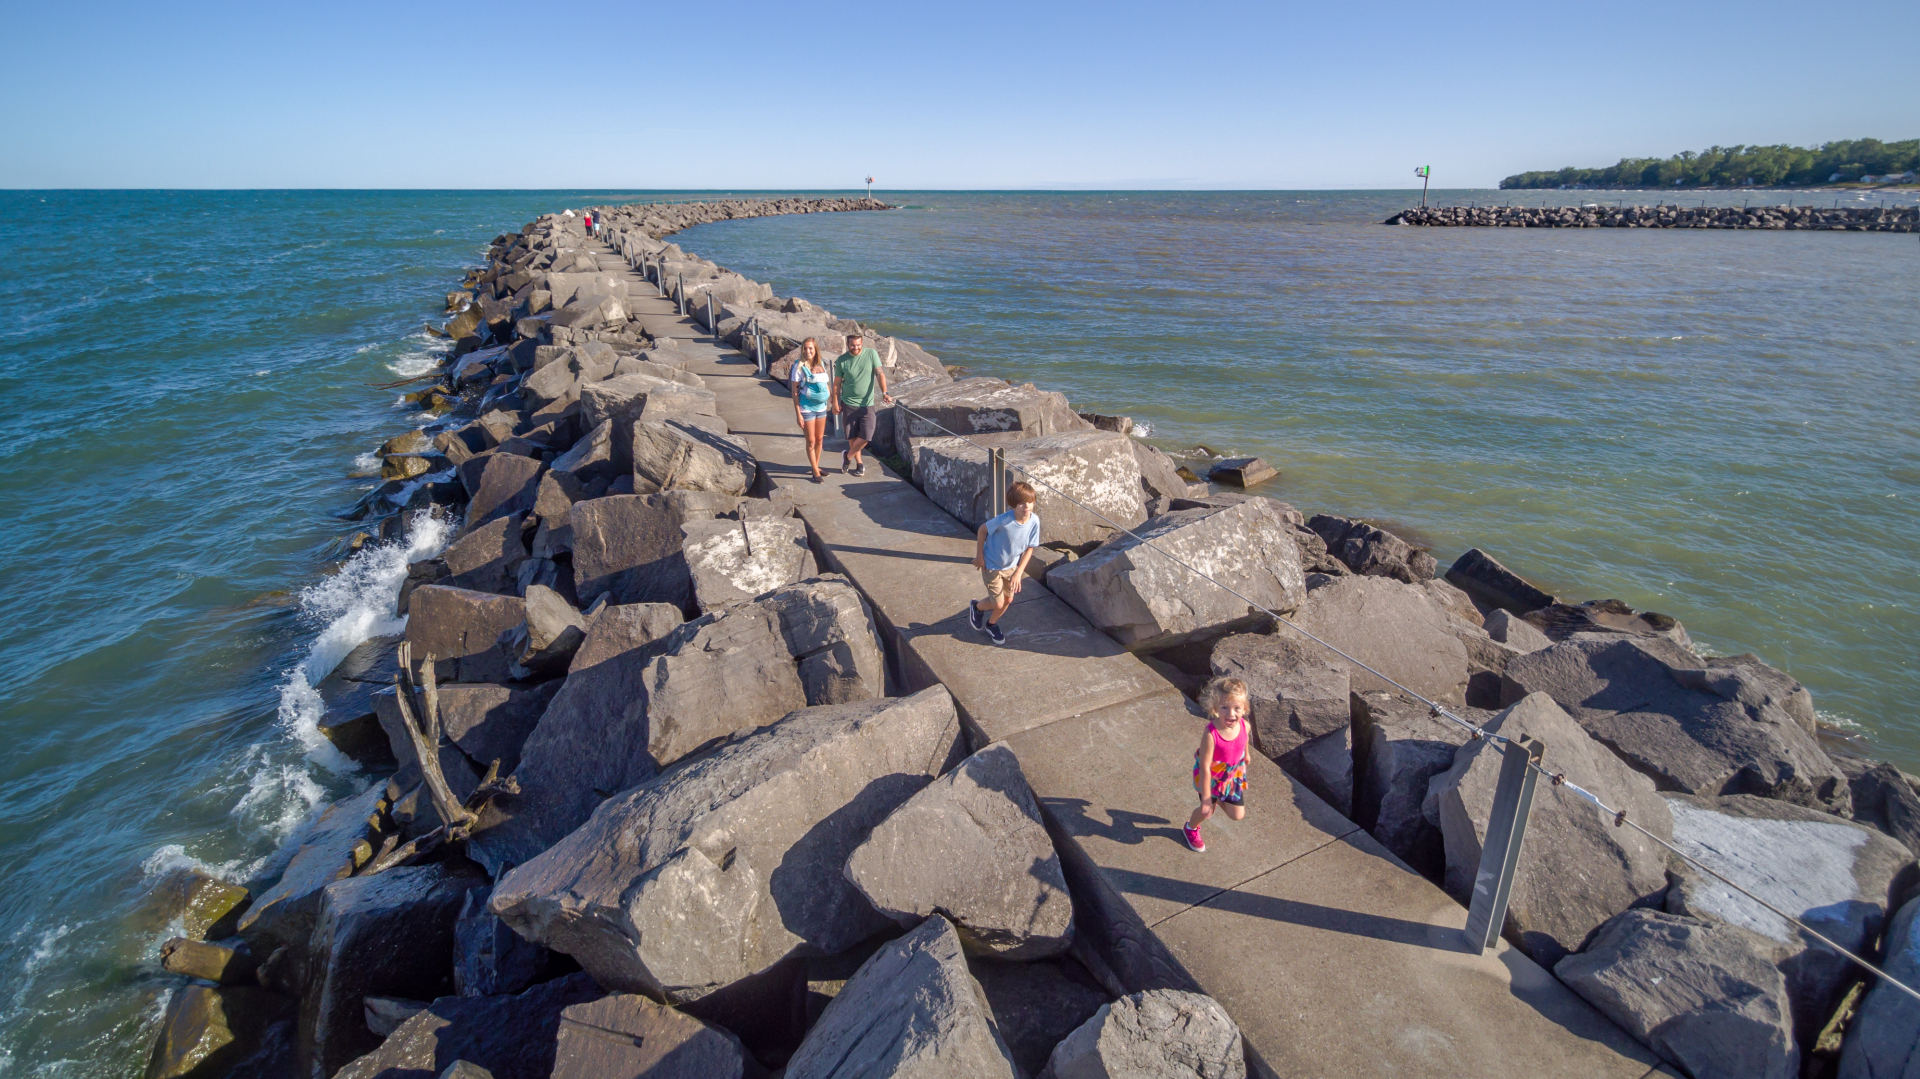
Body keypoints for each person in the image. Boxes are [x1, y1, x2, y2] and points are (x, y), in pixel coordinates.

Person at [968, 482, 1040, 646]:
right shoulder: (1004, 520)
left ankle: (991, 624)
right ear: (1014, 504)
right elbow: (982, 530)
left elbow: (1030, 548)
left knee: (1008, 600)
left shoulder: (1034, 521)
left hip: (1011, 567)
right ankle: (977, 607)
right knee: (998, 602)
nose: (1026, 506)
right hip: (992, 566)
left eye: (1029, 502)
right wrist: (979, 556)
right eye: (1021, 503)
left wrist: (1018, 573)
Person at [1184, 677, 1251, 852]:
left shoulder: (1245, 726)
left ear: (1244, 709)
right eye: (1224, 707)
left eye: (1237, 708)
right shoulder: (1211, 734)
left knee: (1237, 815)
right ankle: (1190, 827)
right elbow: (1205, 767)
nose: (1231, 714)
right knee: (1207, 811)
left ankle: (1218, 799)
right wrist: (1207, 799)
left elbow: (1245, 740)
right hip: (1212, 777)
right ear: (1215, 709)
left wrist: (1247, 755)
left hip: (1232, 775)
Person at [830, 332, 891, 476]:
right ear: (847, 345)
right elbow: (837, 384)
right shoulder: (842, 360)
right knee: (852, 436)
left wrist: (884, 392)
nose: (855, 348)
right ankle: (859, 464)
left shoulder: (871, 354)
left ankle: (847, 456)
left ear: (862, 344)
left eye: (858, 345)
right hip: (848, 403)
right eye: (852, 345)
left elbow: (880, 374)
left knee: (866, 435)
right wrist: (835, 403)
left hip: (867, 404)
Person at [789, 337, 833, 482]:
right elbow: (795, 392)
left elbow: (825, 383)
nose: (808, 351)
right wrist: (798, 414)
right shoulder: (798, 367)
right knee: (811, 441)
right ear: (802, 350)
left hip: (821, 407)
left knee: (820, 439)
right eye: (805, 348)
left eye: (811, 348)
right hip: (806, 408)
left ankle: (816, 466)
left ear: (815, 350)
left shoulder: (821, 364)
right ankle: (815, 470)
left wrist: (831, 396)